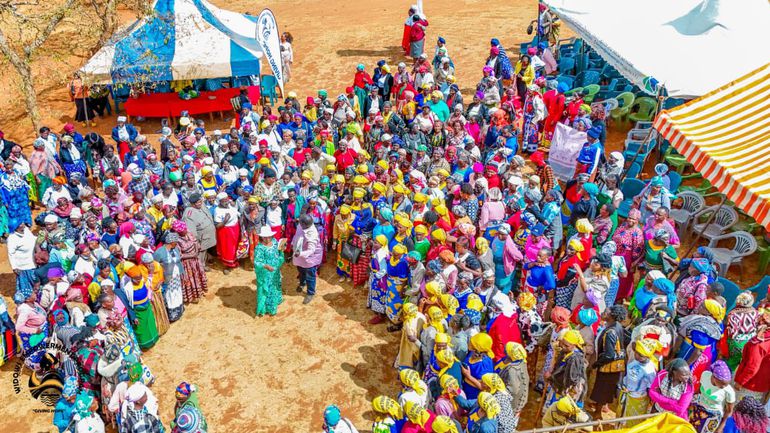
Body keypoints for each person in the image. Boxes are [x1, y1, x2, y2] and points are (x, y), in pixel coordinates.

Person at [690, 360, 736, 433]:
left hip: (713, 415)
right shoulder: (705, 375)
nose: (724, 386)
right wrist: (689, 400)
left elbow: (729, 411)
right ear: (714, 377)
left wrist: (721, 425)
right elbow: (699, 389)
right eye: (722, 384)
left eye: (727, 384)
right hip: (698, 408)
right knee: (690, 429)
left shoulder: (729, 391)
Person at [253, 226, 285, 317]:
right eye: (265, 237)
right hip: (265, 274)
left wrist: (282, 249)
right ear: (261, 237)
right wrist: (266, 266)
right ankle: (268, 309)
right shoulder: (259, 248)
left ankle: (275, 303)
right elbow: (257, 262)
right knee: (267, 290)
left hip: (275, 271)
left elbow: (279, 252)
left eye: (269, 236)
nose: (267, 239)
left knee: (274, 287)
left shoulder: (275, 242)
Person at [293, 214, 323, 304]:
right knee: (301, 271)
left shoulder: (312, 234)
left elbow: (311, 251)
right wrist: (292, 243)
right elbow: (297, 235)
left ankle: (310, 293)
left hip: (310, 257)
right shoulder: (300, 225)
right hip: (299, 255)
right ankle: (302, 283)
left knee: (310, 275)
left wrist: (300, 254)